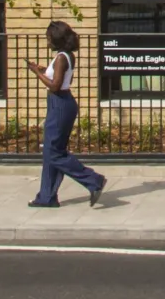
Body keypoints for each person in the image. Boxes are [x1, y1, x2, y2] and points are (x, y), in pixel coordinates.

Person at [26, 20, 107, 209]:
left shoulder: (62, 58)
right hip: (62, 103)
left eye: (48, 37)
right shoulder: (66, 56)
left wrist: (36, 74)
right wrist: (41, 70)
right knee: (51, 150)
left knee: (53, 152)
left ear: (56, 38)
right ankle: (47, 197)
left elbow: (55, 85)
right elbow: (57, 80)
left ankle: (93, 180)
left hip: (60, 104)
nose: (47, 41)